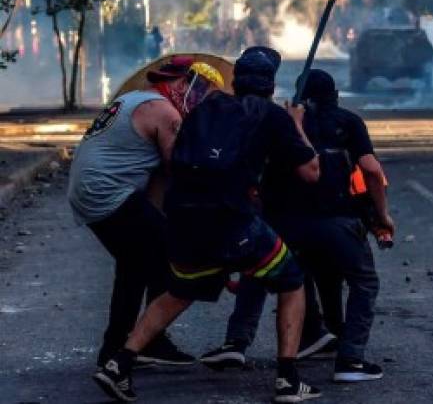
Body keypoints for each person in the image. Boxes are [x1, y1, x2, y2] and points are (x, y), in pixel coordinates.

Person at [92, 47, 323, 403]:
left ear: (236, 80)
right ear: (271, 84)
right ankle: (288, 379)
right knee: (292, 279)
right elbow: (311, 172)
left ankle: (118, 364)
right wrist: (295, 123)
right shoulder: (272, 115)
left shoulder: (203, 111)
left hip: (185, 220)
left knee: (180, 291)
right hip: (231, 220)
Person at [200, 68, 393, 384]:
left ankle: (236, 341)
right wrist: (382, 215)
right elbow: (371, 170)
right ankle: (351, 359)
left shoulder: (277, 123)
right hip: (336, 222)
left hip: (284, 223)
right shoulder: (348, 122)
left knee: (259, 269)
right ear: (335, 96)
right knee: (364, 281)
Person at [68, 56, 220, 369]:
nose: (199, 100)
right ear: (181, 82)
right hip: (109, 193)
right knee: (174, 255)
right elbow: (180, 169)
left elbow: (158, 183)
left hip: (89, 193)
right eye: (200, 90)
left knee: (135, 264)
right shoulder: (165, 112)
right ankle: (147, 339)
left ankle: (118, 345)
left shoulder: (132, 98)